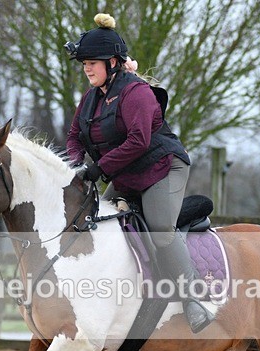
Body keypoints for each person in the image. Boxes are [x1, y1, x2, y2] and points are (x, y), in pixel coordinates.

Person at [65, 13, 213, 334]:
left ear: (114, 63)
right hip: (127, 174)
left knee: (159, 227)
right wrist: (77, 168)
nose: (87, 68)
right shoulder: (91, 99)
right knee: (90, 220)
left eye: (93, 62)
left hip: (163, 167)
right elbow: (75, 136)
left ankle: (193, 299)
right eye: (85, 63)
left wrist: (99, 169)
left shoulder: (137, 93)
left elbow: (139, 141)